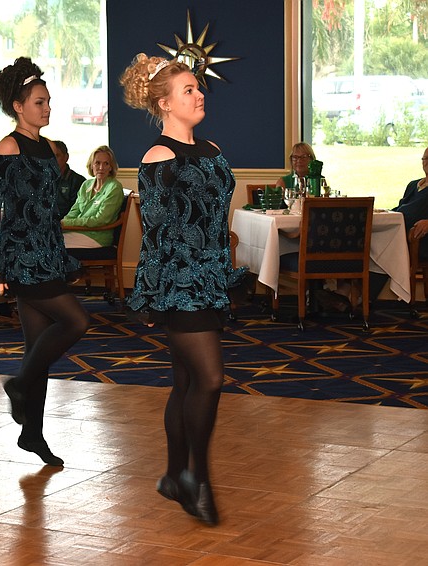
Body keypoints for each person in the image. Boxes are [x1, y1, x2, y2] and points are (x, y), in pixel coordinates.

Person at [119, 54, 247, 526]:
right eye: (189, 89)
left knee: (187, 384)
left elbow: (214, 221)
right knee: (210, 379)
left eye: (198, 88)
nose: (199, 95)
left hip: (211, 280)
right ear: (165, 102)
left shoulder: (211, 149)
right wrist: (151, 296)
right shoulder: (157, 158)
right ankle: (199, 479)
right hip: (178, 285)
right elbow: (155, 235)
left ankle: (174, 476)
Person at [0, 56, 89, 467]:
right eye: (39, 102)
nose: (46, 108)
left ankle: (33, 433)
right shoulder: (9, 147)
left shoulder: (46, 147)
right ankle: (20, 385)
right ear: (18, 107)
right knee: (77, 321)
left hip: (49, 252)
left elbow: (49, 204)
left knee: (36, 346)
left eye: (48, 101)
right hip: (23, 258)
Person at [61, 145, 125, 248]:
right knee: (48, 241)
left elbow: (100, 220)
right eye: (97, 163)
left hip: (97, 237)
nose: (101, 168)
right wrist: (62, 224)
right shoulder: (86, 184)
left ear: (111, 167)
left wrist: (67, 223)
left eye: (106, 164)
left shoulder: (114, 188)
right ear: (91, 165)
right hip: (77, 233)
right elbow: (74, 211)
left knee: (53, 246)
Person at [394, 145, 428, 259]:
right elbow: (400, 207)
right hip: (398, 229)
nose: (427, 162)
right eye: (425, 158)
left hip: (419, 237)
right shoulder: (413, 184)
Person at [53, 139, 87, 216]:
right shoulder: (44, 179)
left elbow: (78, 211)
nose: (53, 160)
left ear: (66, 157)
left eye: (57, 156)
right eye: (51, 156)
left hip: (68, 224)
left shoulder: (78, 181)